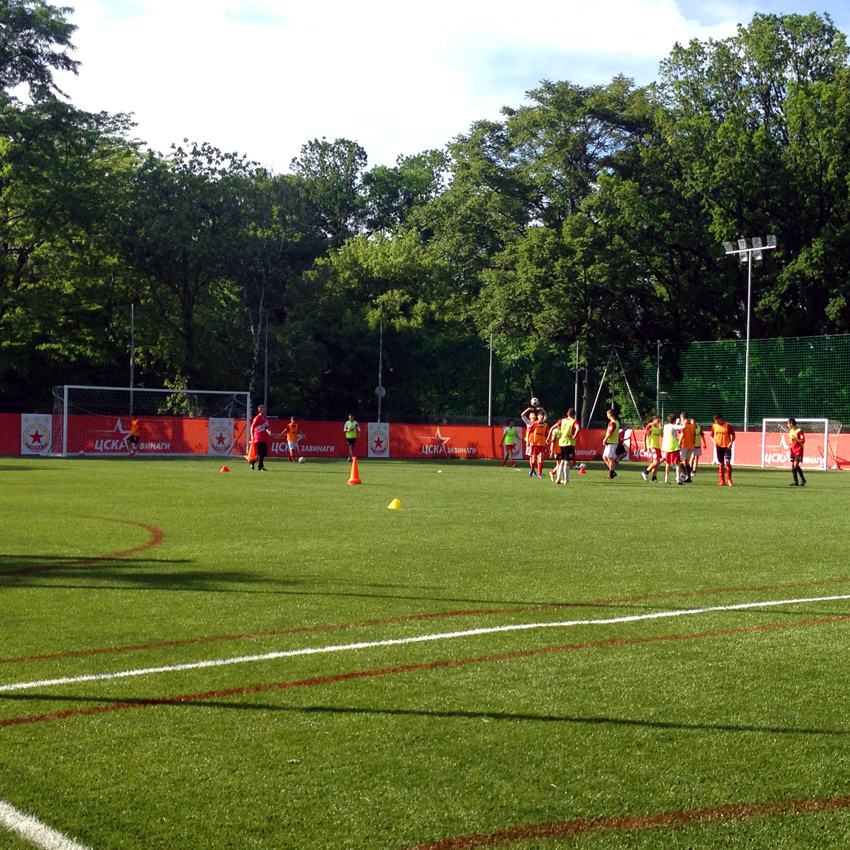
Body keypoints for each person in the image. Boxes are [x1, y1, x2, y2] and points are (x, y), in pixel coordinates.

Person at [554, 409, 579, 485]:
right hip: (569, 443)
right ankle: (566, 480)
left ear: (567, 414)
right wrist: (574, 435)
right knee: (567, 461)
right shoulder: (574, 421)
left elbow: (553, 428)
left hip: (561, 443)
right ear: (574, 415)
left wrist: (549, 436)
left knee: (562, 460)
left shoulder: (562, 421)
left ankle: (558, 478)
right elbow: (578, 428)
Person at [521, 408, 548, 478]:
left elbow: (546, 434)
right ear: (538, 417)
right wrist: (527, 440)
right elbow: (529, 431)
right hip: (534, 443)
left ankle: (539, 473)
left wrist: (547, 440)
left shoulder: (545, 424)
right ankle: (532, 469)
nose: (542, 417)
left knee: (541, 457)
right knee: (534, 459)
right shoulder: (533, 424)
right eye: (540, 415)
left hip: (542, 443)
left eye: (542, 415)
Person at [710, 413, 736, 486]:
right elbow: (711, 436)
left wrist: (731, 443)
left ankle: (729, 480)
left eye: (716, 420)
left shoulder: (728, 426)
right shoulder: (714, 426)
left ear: (720, 419)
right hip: (719, 447)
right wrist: (714, 442)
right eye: (714, 420)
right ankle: (722, 481)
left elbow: (733, 435)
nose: (715, 421)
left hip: (727, 447)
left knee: (727, 462)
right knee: (721, 464)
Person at [661, 413, 684, 484]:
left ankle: (666, 478)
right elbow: (683, 427)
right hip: (673, 447)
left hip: (666, 447)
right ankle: (678, 478)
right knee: (677, 462)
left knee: (668, 463)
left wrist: (676, 423)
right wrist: (681, 421)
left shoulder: (665, 426)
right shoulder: (673, 426)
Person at [250, 405, 272, 471]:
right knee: (260, 453)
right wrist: (252, 435)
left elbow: (267, 427)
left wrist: (270, 432)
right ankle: (260, 467)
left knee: (264, 453)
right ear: (260, 410)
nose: (265, 410)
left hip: (264, 438)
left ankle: (252, 462)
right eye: (263, 409)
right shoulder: (257, 418)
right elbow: (252, 427)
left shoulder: (265, 418)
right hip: (258, 438)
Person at [641, 414, 662, 482]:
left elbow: (662, 435)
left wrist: (661, 428)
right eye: (658, 420)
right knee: (656, 462)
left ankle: (654, 477)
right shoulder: (650, 425)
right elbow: (644, 435)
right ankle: (645, 472)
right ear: (654, 419)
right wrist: (645, 445)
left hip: (657, 446)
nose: (659, 422)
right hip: (652, 445)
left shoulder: (658, 427)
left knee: (657, 462)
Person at [787, 418, 807, 487]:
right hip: (792, 450)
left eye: (788, 424)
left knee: (796, 465)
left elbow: (803, 441)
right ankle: (795, 482)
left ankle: (803, 480)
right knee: (792, 466)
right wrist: (790, 446)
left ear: (791, 424)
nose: (787, 425)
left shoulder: (799, 431)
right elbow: (790, 441)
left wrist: (796, 439)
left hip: (798, 450)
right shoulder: (790, 431)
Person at [677, 412, 696, 482]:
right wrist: (693, 445)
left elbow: (682, 434)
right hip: (690, 445)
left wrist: (678, 444)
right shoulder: (692, 425)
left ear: (683, 418)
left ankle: (686, 475)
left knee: (679, 461)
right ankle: (689, 478)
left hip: (684, 445)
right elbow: (694, 435)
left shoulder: (683, 425)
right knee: (687, 461)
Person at [602, 409, 620, 479]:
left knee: (610, 458)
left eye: (607, 414)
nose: (607, 416)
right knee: (605, 457)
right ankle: (612, 471)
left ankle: (611, 474)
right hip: (610, 443)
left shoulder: (612, 423)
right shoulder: (616, 422)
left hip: (612, 443)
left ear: (610, 414)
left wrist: (605, 439)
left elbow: (610, 432)